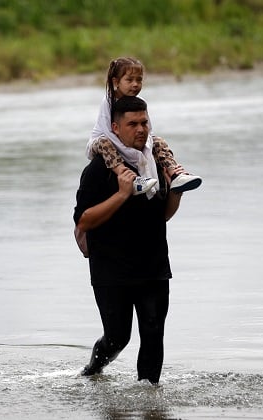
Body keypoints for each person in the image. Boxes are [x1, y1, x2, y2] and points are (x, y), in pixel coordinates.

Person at [73, 96, 184, 382]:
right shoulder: (100, 169)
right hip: (112, 270)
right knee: (117, 337)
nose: (141, 129)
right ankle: (92, 371)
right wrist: (122, 194)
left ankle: (150, 400)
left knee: (153, 333)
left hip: (154, 266)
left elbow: (163, 216)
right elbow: (84, 221)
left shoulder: (155, 163)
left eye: (144, 122)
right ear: (115, 127)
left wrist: (175, 193)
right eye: (132, 123)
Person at [86, 56, 202, 196]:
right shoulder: (108, 101)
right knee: (105, 143)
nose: (135, 84)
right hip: (103, 141)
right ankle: (132, 179)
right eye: (129, 80)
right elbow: (108, 131)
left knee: (157, 141)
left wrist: (146, 149)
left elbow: (149, 130)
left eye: (139, 80)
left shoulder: (140, 102)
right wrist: (131, 153)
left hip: (126, 139)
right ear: (116, 82)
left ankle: (174, 174)